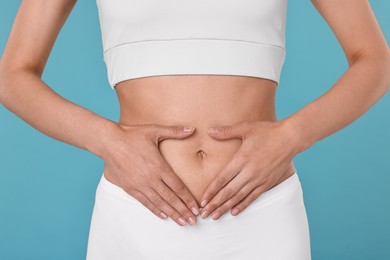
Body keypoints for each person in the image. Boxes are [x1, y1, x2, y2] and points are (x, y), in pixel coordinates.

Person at [0, 0, 388, 259]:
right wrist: (107, 141)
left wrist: (290, 137)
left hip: (262, 211)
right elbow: (12, 76)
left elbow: (375, 60)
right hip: (137, 212)